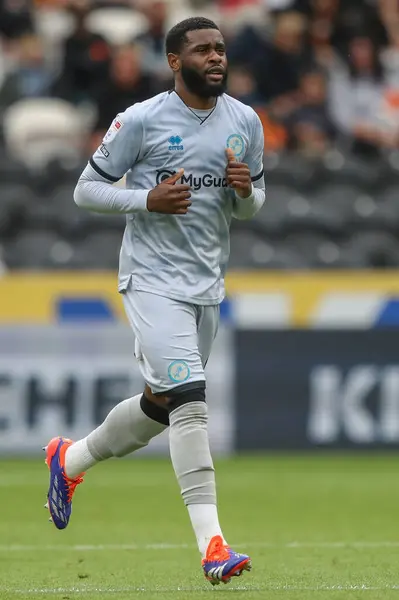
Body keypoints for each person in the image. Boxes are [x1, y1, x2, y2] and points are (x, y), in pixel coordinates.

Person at [43, 16, 265, 586]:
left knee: (160, 406)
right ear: (174, 60)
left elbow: (253, 203)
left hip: (205, 286)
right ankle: (213, 545)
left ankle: (68, 461)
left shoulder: (245, 121)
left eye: (220, 48)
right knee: (191, 401)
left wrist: (245, 192)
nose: (216, 57)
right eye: (202, 50)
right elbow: (85, 190)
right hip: (150, 280)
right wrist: (146, 199)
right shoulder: (140, 120)